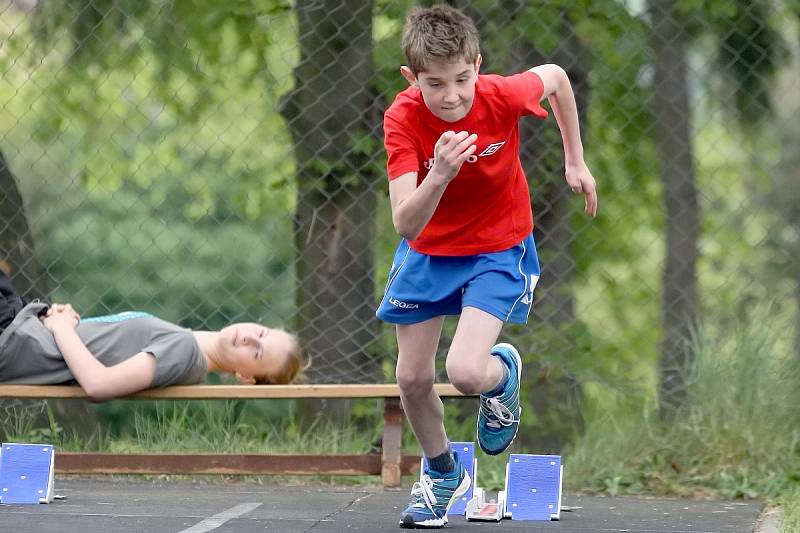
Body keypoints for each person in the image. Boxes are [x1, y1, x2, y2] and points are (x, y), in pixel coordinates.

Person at [375, 5, 598, 529]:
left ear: (478, 64)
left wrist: (575, 160)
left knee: (467, 372)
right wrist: (441, 174)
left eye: (461, 79)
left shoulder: (502, 94)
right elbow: (405, 223)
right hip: (428, 249)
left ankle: (503, 376)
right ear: (413, 78)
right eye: (435, 84)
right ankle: (441, 473)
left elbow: (559, 79)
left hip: (498, 247)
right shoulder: (402, 119)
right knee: (411, 377)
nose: (451, 96)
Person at [0, 270, 304, 401]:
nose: (251, 338)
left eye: (257, 353)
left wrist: (63, 328)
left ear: (245, 377)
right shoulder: (186, 342)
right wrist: (61, 317)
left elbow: (98, 385)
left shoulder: (184, 352)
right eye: (261, 332)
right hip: (23, 322)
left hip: (14, 337)